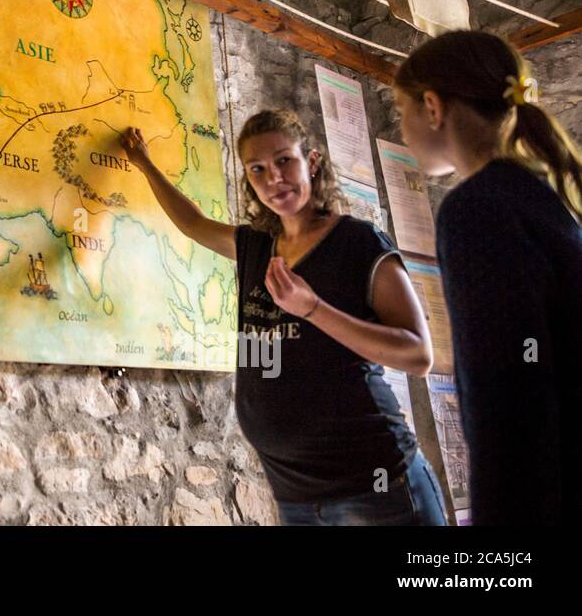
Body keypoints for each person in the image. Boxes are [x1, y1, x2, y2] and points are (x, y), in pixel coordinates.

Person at [122, 110, 446, 525]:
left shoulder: (357, 243)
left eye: (283, 161)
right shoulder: (255, 247)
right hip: (295, 496)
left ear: (311, 162)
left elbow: (418, 355)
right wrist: (145, 164)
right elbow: (192, 224)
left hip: (375, 486)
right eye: (257, 169)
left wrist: (312, 308)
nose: (273, 178)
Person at [393, 30, 582, 525]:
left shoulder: (476, 208)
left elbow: (506, 397)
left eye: (401, 111)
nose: (403, 129)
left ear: (432, 107)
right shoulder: (541, 195)